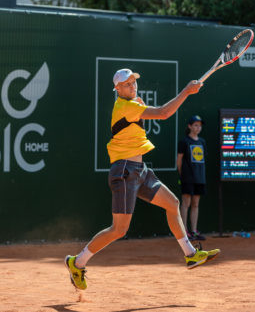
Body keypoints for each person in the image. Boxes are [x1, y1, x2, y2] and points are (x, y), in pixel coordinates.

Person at [65, 69, 220, 290]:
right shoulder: (126, 106)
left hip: (140, 170)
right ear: (117, 89)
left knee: (173, 203)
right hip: (125, 171)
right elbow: (164, 113)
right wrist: (186, 91)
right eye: (127, 84)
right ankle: (77, 262)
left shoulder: (132, 105)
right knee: (119, 230)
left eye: (134, 82)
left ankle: (190, 254)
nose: (132, 86)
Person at [177, 115, 207, 240]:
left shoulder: (202, 142)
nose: (198, 127)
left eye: (199, 125)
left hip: (200, 178)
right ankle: (184, 232)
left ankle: (193, 231)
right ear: (189, 126)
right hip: (188, 178)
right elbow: (179, 161)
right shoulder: (184, 142)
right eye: (195, 125)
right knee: (186, 203)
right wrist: (182, 175)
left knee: (195, 204)